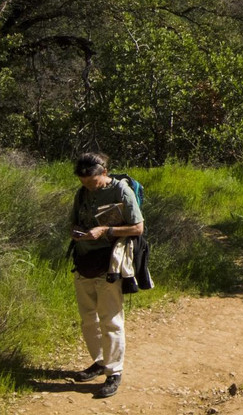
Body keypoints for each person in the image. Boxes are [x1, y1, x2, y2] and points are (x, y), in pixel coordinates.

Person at [68, 151, 144, 399]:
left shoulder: (122, 192)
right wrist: (77, 232)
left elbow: (138, 227)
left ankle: (114, 372)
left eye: (92, 182)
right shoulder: (81, 193)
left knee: (110, 319)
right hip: (84, 261)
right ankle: (99, 362)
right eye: (84, 182)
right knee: (88, 318)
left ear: (104, 173)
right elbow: (72, 223)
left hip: (110, 262)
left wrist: (105, 230)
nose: (88, 186)